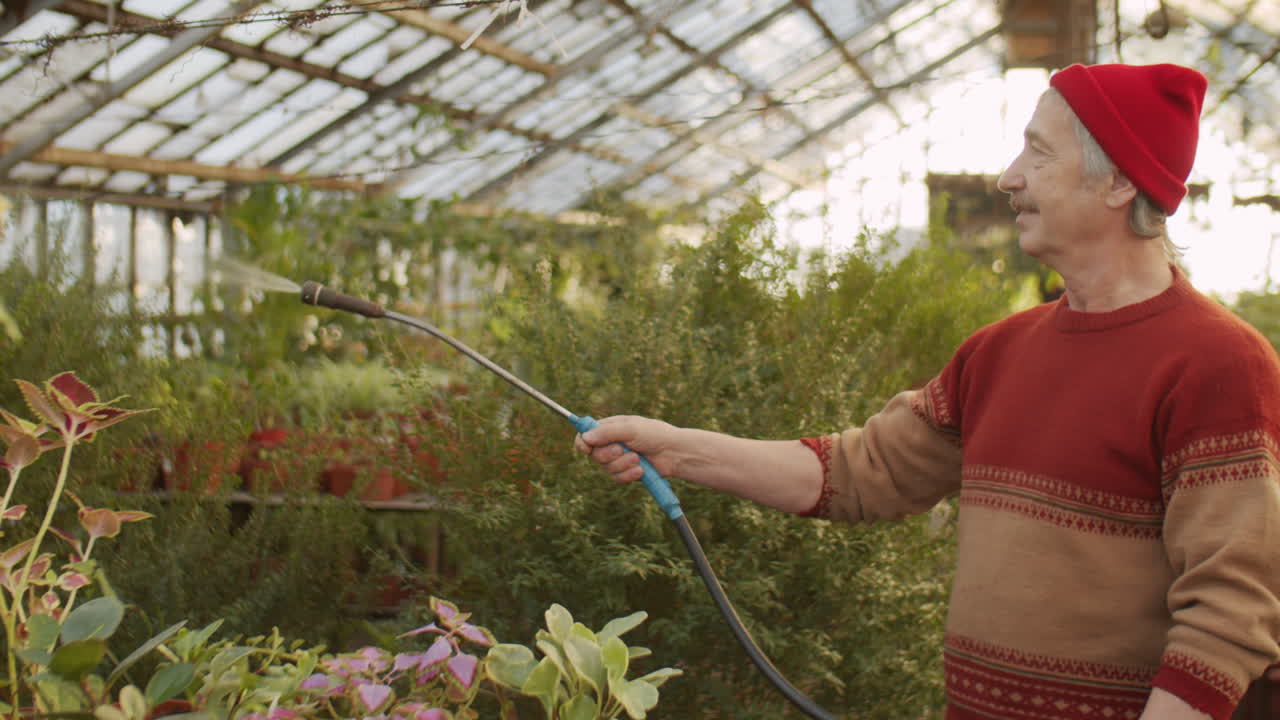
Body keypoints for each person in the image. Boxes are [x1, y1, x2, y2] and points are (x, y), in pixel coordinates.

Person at [575, 63, 1280, 720]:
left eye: (1037, 154)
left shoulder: (1218, 364)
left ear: (1118, 182)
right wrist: (675, 450)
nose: (1009, 179)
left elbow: (1231, 609)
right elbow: (858, 474)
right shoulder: (999, 354)